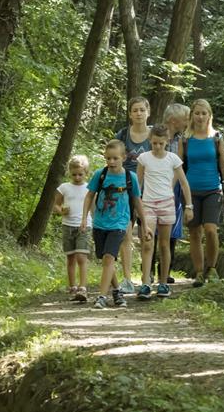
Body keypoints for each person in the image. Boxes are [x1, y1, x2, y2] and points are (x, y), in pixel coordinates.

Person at [134, 124, 193, 297]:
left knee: (165, 244)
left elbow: (183, 183)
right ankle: (145, 282)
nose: (158, 147)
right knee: (147, 242)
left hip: (167, 203)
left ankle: (163, 282)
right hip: (148, 204)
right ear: (149, 141)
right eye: (154, 143)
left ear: (167, 141)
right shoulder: (143, 158)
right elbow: (137, 183)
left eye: (161, 143)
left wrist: (189, 206)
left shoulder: (173, 159)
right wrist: (136, 206)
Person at [182, 99, 224, 285]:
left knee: (211, 230)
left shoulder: (217, 137)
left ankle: (211, 268)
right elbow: (179, 166)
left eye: (204, 113)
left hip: (213, 189)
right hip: (190, 191)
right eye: (197, 113)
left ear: (209, 116)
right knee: (195, 233)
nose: (200, 117)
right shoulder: (185, 139)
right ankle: (198, 272)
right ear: (192, 116)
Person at [87, 141, 141, 307]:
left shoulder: (130, 178)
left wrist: (144, 224)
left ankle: (102, 297)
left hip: (119, 223)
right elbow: (89, 196)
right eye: (108, 158)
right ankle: (117, 292)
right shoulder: (100, 174)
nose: (111, 162)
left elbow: (137, 201)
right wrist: (84, 219)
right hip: (100, 223)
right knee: (105, 260)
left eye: (115, 158)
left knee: (109, 257)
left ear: (123, 158)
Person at [114, 98, 152, 292]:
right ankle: (127, 279)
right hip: (125, 189)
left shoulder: (154, 135)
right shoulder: (122, 135)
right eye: (135, 110)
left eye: (142, 110)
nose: (138, 113)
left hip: (150, 190)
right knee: (126, 234)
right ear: (130, 114)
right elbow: (113, 159)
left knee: (147, 234)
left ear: (148, 112)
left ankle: (147, 277)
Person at [50, 154, 93, 303]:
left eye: (80, 174)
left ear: (86, 173)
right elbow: (56, 205)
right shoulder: (64, 188)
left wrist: (94, 221)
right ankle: (72, 285)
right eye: (74, 174)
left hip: (84, 225)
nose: (77, 177)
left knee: (82, 256)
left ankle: (83, 286)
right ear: (69, 173)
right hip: (68, 226)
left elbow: (93, 207)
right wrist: (61, 210)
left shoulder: (89, 188)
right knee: (71, 258)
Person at [162, 102, 191, 281]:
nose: (188, 122)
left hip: (175, 186)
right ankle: (148, 270)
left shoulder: (183, 139)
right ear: (174, 120)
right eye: (185, 119)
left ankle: (165, 270)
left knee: (173, 227)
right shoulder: (155, 135)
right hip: (156, 185)